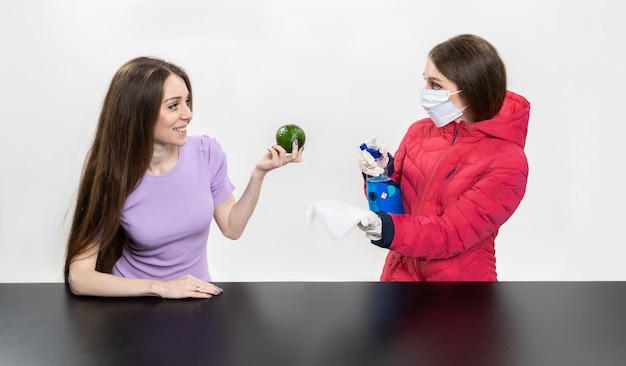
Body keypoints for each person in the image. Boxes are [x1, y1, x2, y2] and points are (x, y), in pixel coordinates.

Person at [64, 56, 303, 298]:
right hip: (134, 303)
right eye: (173, 105)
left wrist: (258, 174)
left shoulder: (206, 153)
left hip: (196, 300)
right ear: (138, 114)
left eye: (187, 101)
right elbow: (79, 277)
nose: (188, 114)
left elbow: (233, 228)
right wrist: (160, 288)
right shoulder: (113, 175)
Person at [357, 34, 530, 281]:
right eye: (425, 81)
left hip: (458, 290)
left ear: (471, 89)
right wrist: (378, 174)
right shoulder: (418, 132)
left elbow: (451, 233)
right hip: (400, 276)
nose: (425, 92)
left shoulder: (507, 162)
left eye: (436, 85)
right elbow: (396, 206)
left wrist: (389, 230)